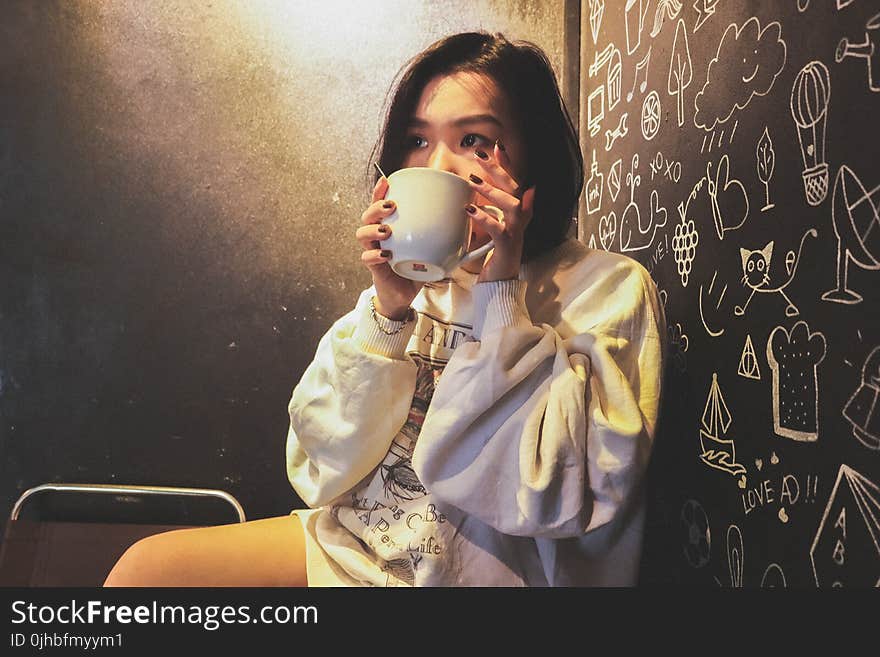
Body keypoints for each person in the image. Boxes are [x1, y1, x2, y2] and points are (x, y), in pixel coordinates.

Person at [104, 31, 665, 588]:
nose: (439, 166)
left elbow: (557, 495)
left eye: (473, 141)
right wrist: (389, 309)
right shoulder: (413, 289)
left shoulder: (607, 288)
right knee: (145, 573)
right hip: (353, 551)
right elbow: (321, 464)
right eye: (417, 142)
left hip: (480, 577)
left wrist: (501, 288)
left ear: (533, 157)